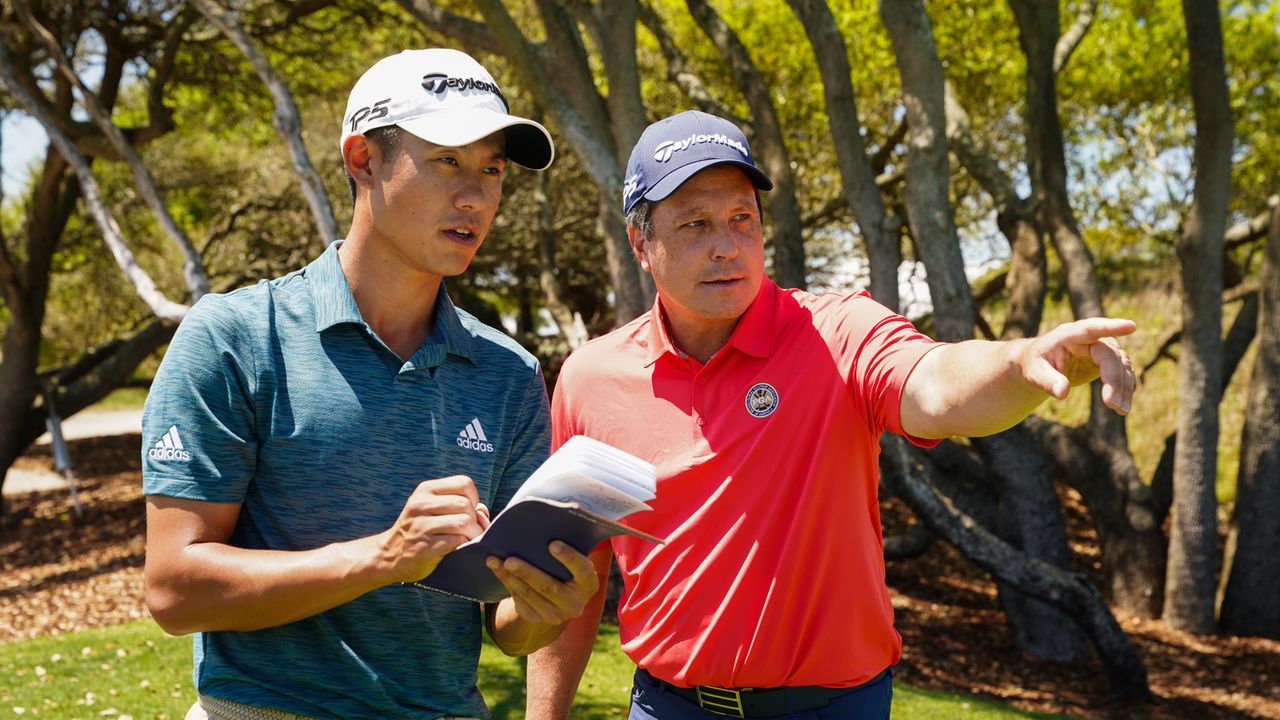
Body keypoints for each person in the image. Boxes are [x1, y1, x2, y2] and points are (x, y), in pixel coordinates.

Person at [525, 110, 1136, 720]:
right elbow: (565, 581)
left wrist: (1021, 360)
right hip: (667, 707)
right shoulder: (590, 379)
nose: (727, 246)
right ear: (641, 244)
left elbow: (936, 385)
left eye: (743, 219)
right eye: (695, 224)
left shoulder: (837, 330)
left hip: (833, 708)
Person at [142, 49, 600, 720]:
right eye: (447, 160)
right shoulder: (234, 336)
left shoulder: (509, 373)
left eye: (493, 169)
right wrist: (385, 557)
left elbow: (504, 625)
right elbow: (176, 590)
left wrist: (544, 609)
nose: (475, 196)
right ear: (363, 160)